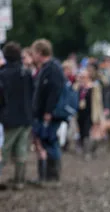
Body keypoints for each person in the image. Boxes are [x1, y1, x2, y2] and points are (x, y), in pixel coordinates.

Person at [0, 42, 34, 190]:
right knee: (21, 149)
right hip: (26, 116)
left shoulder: (3, 74)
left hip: (10, 117)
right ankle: (19, 180)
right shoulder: (26, 72)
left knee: (4, 149)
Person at [31, 39, 65, 184]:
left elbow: (54, 92)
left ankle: (52, 176)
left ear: (40, 52)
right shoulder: (46, 68)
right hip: (43, 112)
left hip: (50, 114)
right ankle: (45, 175)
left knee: (51, 141)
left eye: (33, 53)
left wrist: (48, 111)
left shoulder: (53, 69)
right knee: (45, 142)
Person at [74, 69, 103, 159]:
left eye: (84, 77)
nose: (82, 78)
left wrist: (99, 116)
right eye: (81, 77)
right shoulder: (79, 87)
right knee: (82, 131)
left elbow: (98, 102)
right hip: (80, 113)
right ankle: (84, 148)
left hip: (91, 113)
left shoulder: (94, 87)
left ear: (89, 77)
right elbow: (73, 92)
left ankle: (88, 151)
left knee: (88, 132)